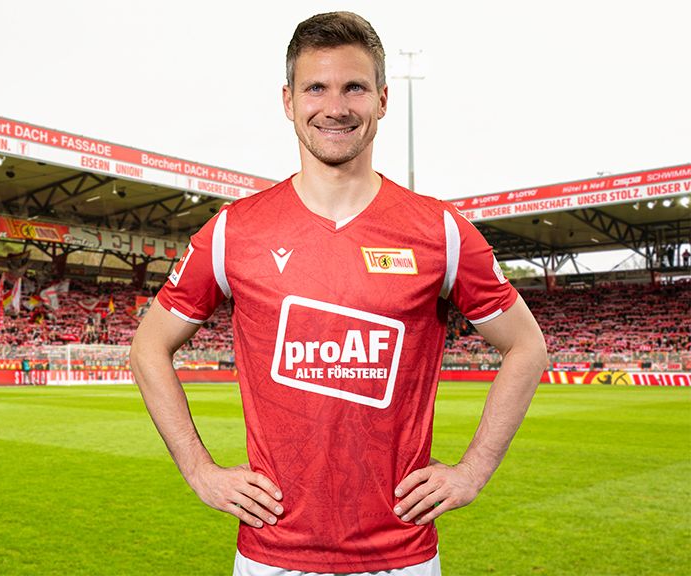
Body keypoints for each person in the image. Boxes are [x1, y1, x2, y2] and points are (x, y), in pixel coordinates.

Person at [130, 11, 547, 576]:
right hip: (271, 555)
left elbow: (527, 346)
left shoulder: (441, 230)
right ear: (287, 100)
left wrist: (472, 471)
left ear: (381, 98)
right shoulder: (234, 231)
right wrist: (200, 470)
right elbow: (148, 347)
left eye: (354, 86)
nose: (336, 106)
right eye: (316, 87)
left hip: (402, 557)